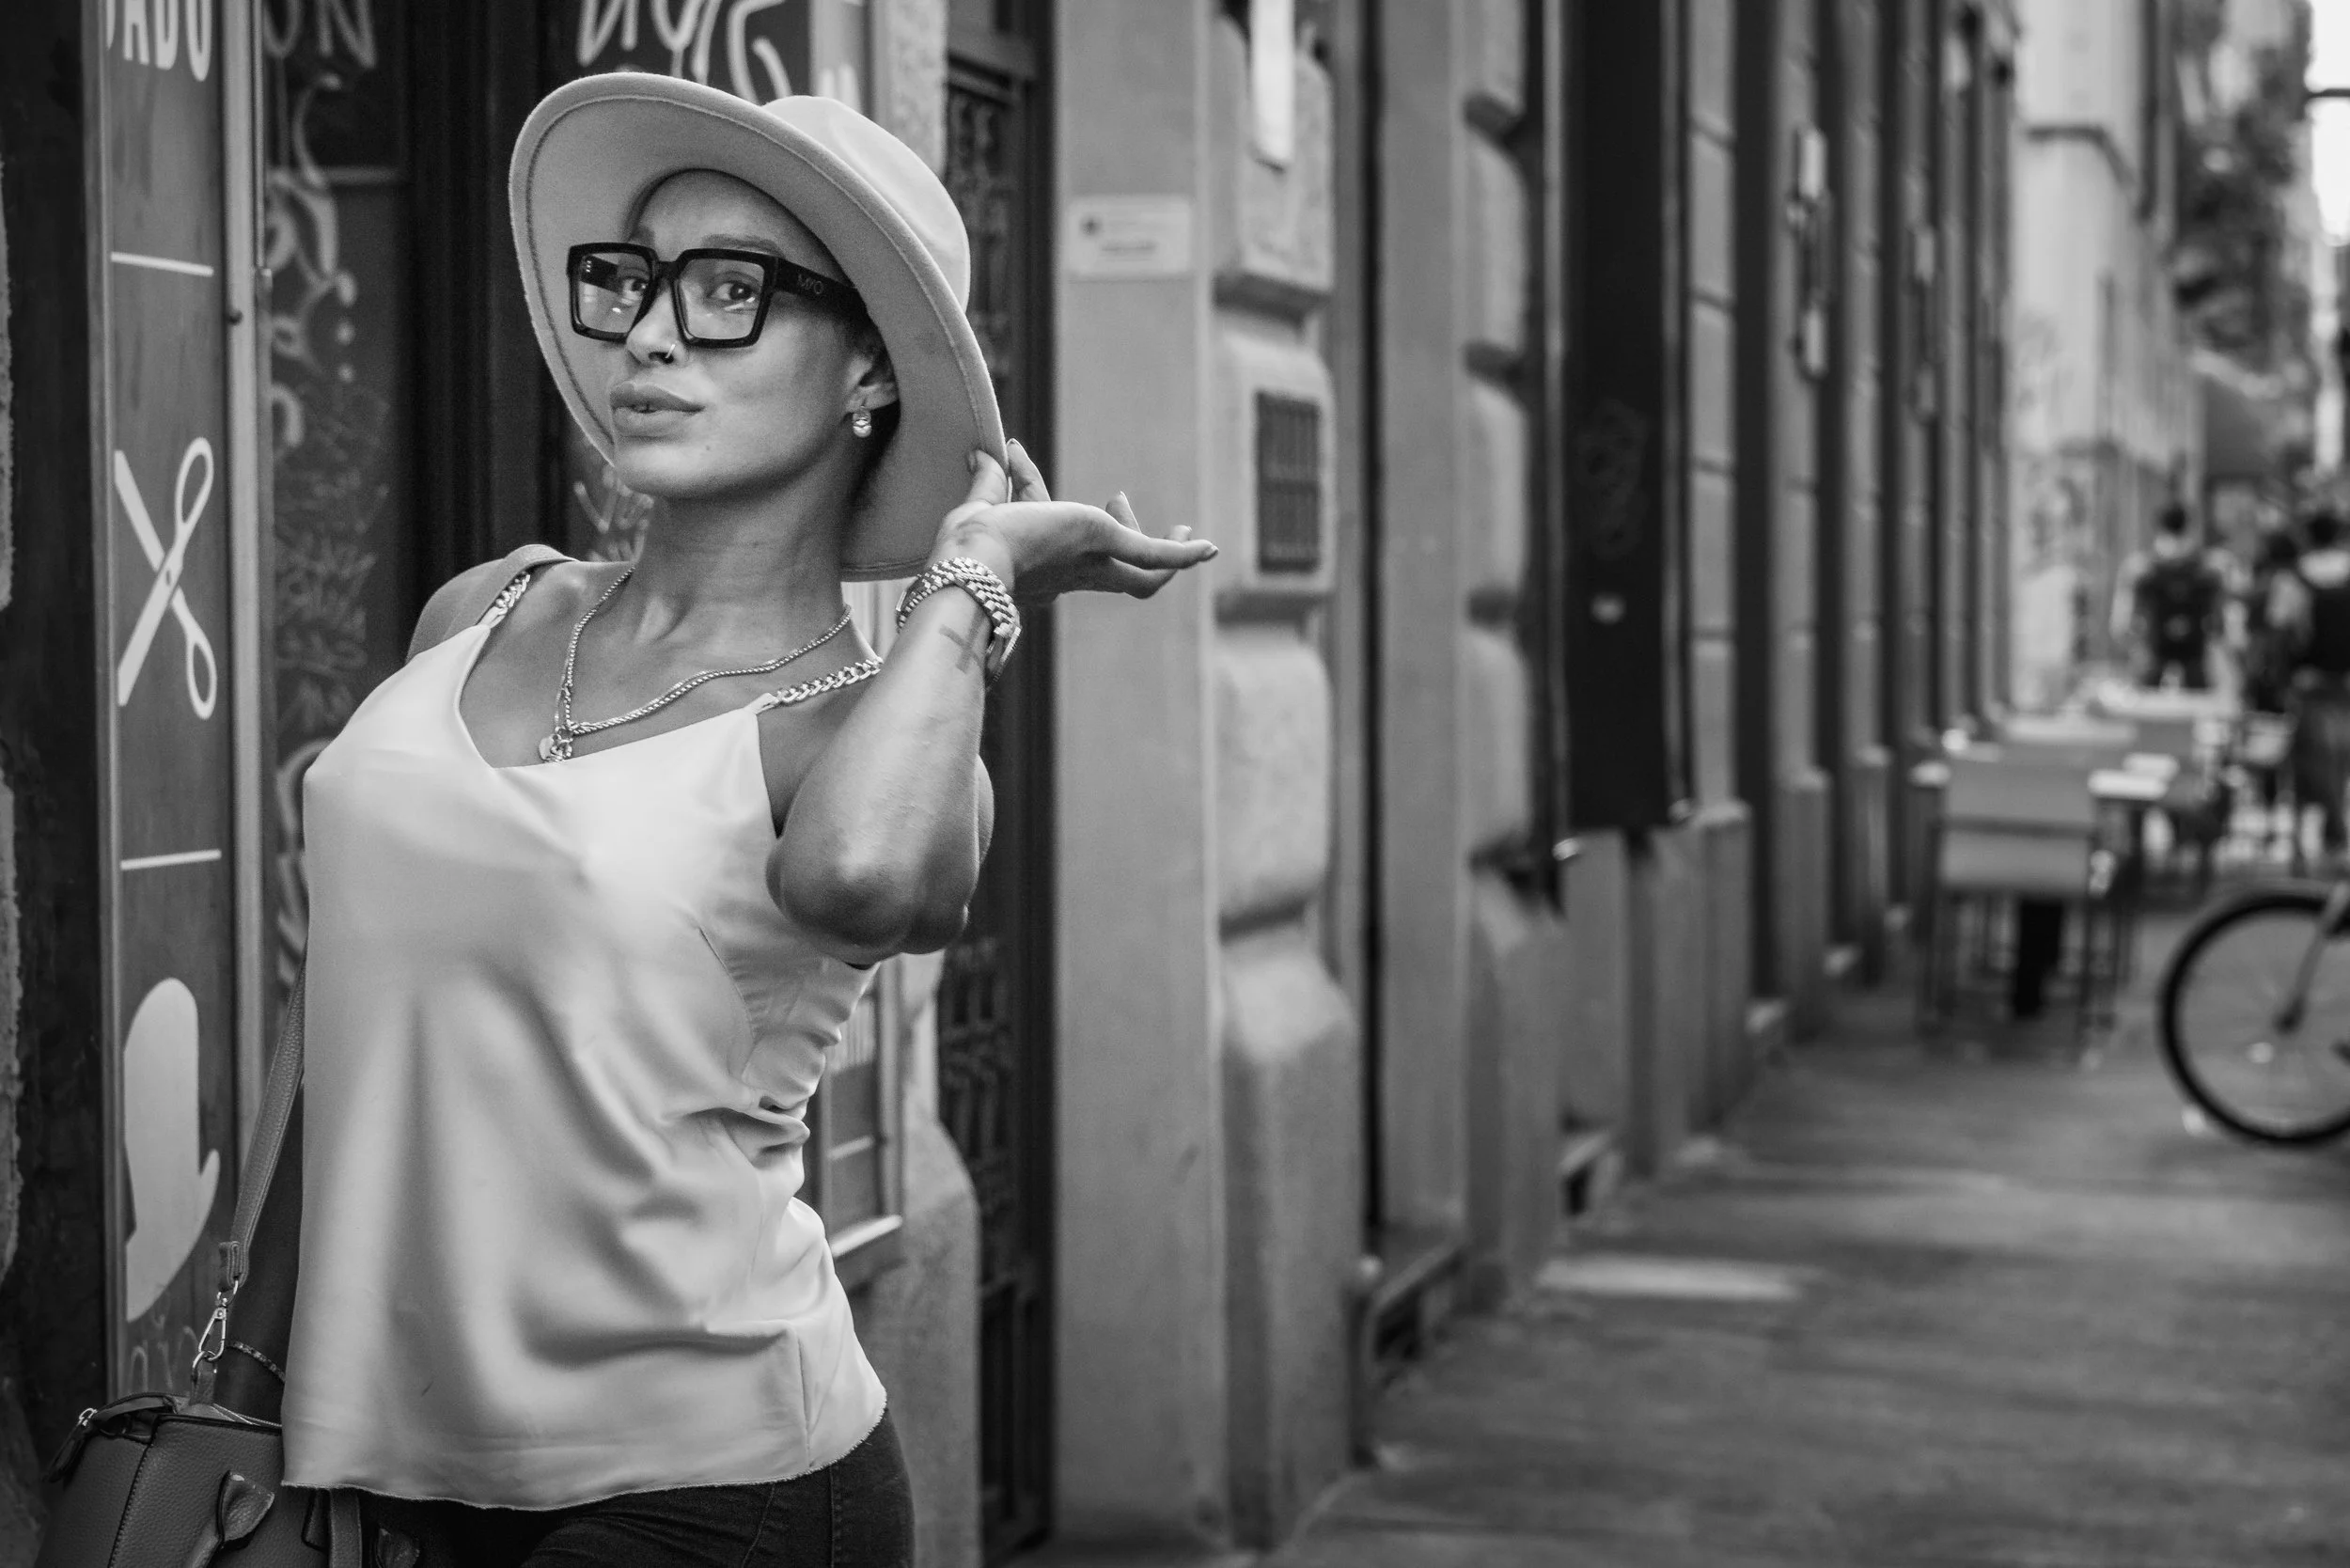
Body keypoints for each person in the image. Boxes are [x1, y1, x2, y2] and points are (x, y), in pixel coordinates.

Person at [236, 78, 1216, 1565]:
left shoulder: (867, 734)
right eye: (630, 281)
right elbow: (347, 1011)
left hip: (704, 1490)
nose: (649, 333)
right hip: (385, 1474)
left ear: (868, 372)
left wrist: (972, 576)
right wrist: (252, 1382)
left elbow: (862, 882)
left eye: (731, 291)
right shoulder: (479, 608)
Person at [2273, 510, 2350, 862]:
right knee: (2340, 754)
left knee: (2310, 756)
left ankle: (2320, 826)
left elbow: (2280, 627)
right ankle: (2334, 823)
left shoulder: (2294, 578)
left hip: (2308, 679)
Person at [2111, 502, 2231, 690]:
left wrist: (2129, 640)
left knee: (2147, 698)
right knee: (2197, 702)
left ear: (2158, 525)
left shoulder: (2141, 566)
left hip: (2155, 646)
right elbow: (2218, 616)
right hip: (2194, 649)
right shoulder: (2206, 567)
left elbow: (2122, 621)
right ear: (2187, 525)